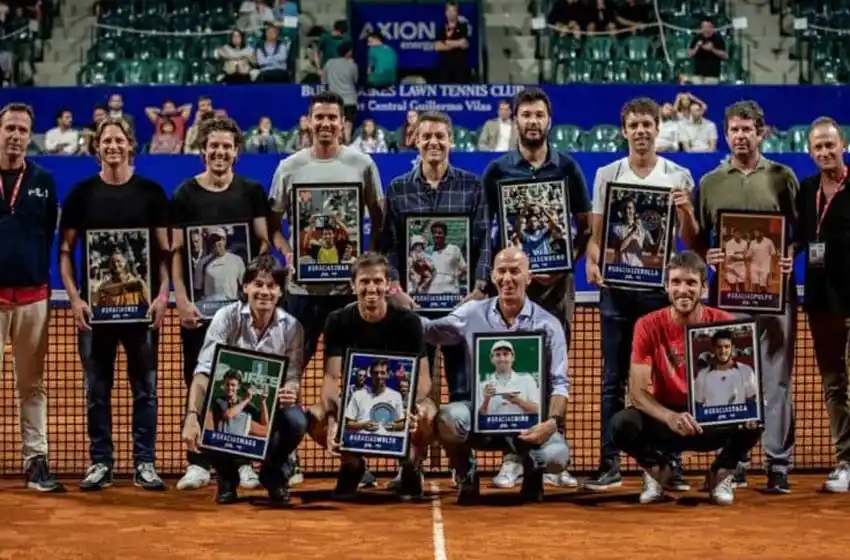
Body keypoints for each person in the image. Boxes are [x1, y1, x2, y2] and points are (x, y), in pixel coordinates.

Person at [268, 91, 384, 488]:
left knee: (354, 376)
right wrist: (289, 254)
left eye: (332, 118)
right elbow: (273, 226)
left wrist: (365, 260)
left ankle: (355, 460)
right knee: (288, 374)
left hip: (346, 295)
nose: (325, 124)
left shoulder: (363, 164)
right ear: (308, 122)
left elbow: (378, 217)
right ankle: (286, 456)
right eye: (319, 117)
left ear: (343, 124)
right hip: (301, 293)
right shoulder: (289, 167)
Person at [583, 97, 696, 492]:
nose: (641, 131)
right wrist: (592, 262)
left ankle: (668, 463)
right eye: (634, 125)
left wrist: (686, 211)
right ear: (624, 130)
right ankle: (609, 464)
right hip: (616, 293)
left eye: (648, 124)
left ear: (657, 128)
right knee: (612, 380)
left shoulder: (678, 175)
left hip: (659, 297)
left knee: (666, 379)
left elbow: (690, 242)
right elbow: (596, 239)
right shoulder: (606, 175)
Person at [686, 100, 798, 493]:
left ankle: (778, 463)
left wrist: (789, 254)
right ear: (726, 133)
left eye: (747, 129)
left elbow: (798, 232)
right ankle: (736, 460)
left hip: (775, 296)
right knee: (733, 375)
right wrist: (708, 255)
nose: (740, 136)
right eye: (734, 129)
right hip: (730, 298)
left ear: (761, 132)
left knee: (776, 379)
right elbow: (697, 238)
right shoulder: (711, 182)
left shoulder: (783, 177)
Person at [481, 87, 589, 490]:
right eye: (525, 115)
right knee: (514, 367)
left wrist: (563, 266)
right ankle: (513, 455)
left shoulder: (568, 167)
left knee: (554, 368)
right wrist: (505, 275)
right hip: (512, 290)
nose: (532, 121)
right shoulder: (497, 171)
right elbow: (486, 231)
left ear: (549, 120)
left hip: (556, 287)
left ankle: (555, 451)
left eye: (539, 115)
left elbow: (585, 227)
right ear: (516, 121)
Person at [58, 118, 170, 491]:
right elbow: (65, 252)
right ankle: (101, 462)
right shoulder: (81, 195)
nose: (113, 146)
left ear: (130, 145)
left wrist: (162, 295)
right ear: (97, 148)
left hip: (141, 314)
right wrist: (75, 298)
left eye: (119, 140)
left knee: (146, 390)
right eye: (106, 141)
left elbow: (165, 252)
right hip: (94, 315)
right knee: (96, 390)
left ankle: (145, 463)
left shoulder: (151, 193)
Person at [380, 111, 490, 487]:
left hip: (461, 309)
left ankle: (463, 467)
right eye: (426, 136)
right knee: (411, 390)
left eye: (440, 136)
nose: (433, 143)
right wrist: (396, 290)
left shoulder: (472, 186)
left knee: (461, 390)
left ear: (451, 140)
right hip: (412, 311)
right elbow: (390, 247)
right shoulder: (398, 189)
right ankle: (410, 466)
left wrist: (479, 289)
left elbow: (483, 242)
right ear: (415, 140)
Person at [610, 250, 762, 506]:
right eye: (676, 282)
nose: (683, 290)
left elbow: (748, 384)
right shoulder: (647, 325)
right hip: (666, 421)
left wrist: (750, 409)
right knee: (622, 424)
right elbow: (637, 392)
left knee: (757, 418)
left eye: (691, 283)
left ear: (704, 288)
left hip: (712, 419)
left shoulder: (724, 322)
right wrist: (670, 417)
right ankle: (658, 470)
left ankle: (721, 473)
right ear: (666, 287)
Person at [422, 247, 571, 504]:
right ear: (492, 276)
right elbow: (432, 331)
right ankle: (466, 475)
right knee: (448, 418)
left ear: (529, 277)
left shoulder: (549, 325)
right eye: (501, 271)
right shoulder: (472, 313)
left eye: (515, 271)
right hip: (482, 418)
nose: (507, 278)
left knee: (557, 456)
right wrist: (392, 311)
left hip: (529, 424)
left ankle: (532, 473)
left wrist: (551, 422)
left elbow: (560, 383)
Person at [169, 117, 271, 491]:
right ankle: (198, 463)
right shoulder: (185, 193)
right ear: (203, 150)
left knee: (240, 380)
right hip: (199, 314)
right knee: (198, 377)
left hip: (242, 314)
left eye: (226, 146)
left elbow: (263, 244)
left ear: (236, 151)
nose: (220, 152)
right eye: (213, 146)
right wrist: (181, 299)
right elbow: (176, 251)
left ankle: (242, 461)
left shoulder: (251, 191)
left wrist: (255, 297)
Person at [306, 252, 436, 499]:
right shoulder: (338, 320)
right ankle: (352, 464)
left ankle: (410, 465)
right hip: (356, 401)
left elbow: (423, 379)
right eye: (364, 281)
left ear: (388, 285)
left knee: (428, 413)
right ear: (353, 285)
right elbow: (332, 378)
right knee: (316, 416)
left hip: (399, 401)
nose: (371, 288)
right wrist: (334, 419)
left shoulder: (409, 322)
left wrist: (411, 407)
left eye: (377, 281)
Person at [181, 255, 307, 506]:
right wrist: (192, 416)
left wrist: (291, 390)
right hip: (229, 399)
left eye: (271, 286)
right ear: (245, 287)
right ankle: (227, 475)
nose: (264, 292)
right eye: (258, 284)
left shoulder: (292, 327)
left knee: (296, 421)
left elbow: (292, 376)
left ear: (280, 291)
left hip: (268, 403)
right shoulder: (226, 317)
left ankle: (272, 472)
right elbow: (203, 371)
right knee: (208, 409)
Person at [0, 102, 63, 492]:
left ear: (30, 136)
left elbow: (49, 231)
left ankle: (36, 460)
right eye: (9, 128)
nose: (15, 135)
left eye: (22, 130)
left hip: (32, 299)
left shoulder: (43, 180)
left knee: (33, 385)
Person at [795, 116, 850, 493]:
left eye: (831, 145)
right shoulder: (807, 188)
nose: (825, 152)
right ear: (810, 152)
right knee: (834, 384)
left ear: (843, 145)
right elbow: (800, 237)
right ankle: (845, 461)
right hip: (820, 302)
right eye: (819, 147)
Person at [693, 330, 758, 407]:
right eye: (719, 347)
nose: (723, 351)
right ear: (714, 348)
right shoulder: (702, 375)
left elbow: (753, 400)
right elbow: (698, 404)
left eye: (726, 347)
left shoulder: (746, 370)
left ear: (732, 348)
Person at [478, 340, 541, 416]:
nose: (502, 359)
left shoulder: (527, 380)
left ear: (512, 357)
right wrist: (486, 400)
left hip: (522, 424)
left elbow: (538, 410)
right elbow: (478, 418)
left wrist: (519, 401)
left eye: (505, 354)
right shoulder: (483, 386)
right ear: (492, 359)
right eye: (497, 355)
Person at [746, 228, 776, 293]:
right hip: (754, 267)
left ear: (762, 233)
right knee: (755, 284)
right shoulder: (752, 243)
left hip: (765, 267)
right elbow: (749, 255)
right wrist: (745, 257)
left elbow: (773, 254)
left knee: (762, 286)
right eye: (755, 233)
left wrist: (773, 268)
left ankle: (765, 296)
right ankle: (755, 298)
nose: (755, 234)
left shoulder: (769, 242)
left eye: (757, 233)